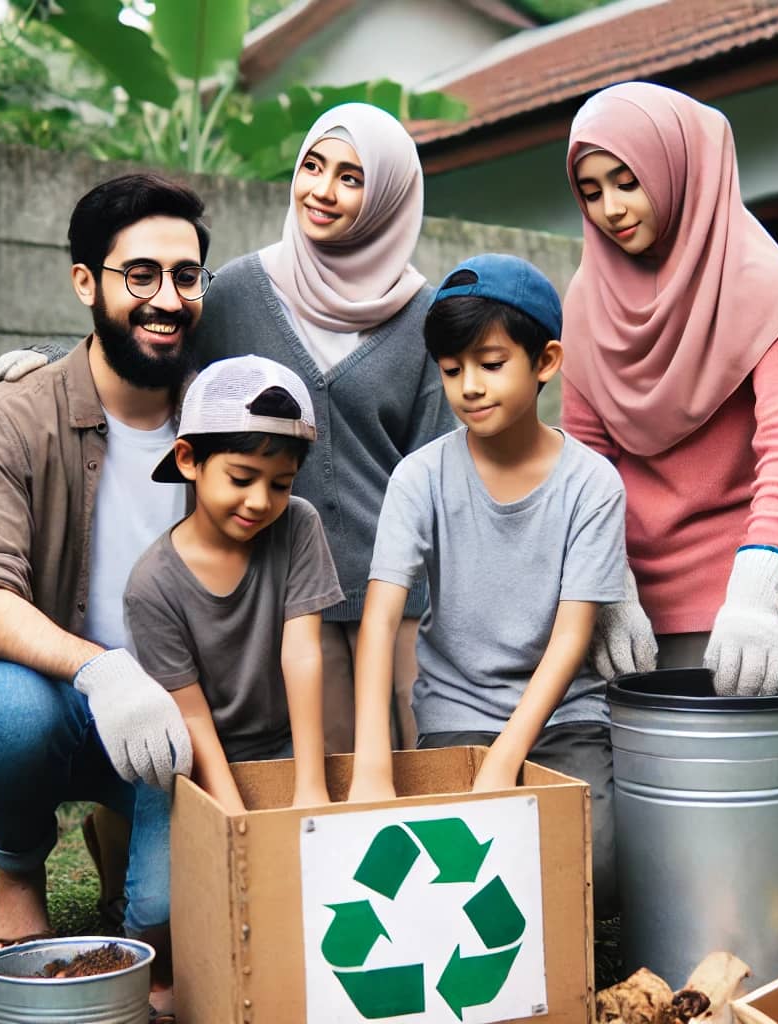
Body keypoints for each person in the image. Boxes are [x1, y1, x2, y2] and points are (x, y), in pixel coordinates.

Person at [0, 172, 211, 1019]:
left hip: (177, 713)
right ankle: (19, 873)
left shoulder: (220, 420)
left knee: (164, 942)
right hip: (54, 695)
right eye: (140, 275)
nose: (166, 298)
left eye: (186, 277)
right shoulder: (12, 417)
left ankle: (122, 833)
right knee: (5, 708)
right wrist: (103, 671)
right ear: (86, 282)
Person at [349, 254, 627, 916]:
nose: (469, 386)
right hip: (455, 714)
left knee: (602, 871)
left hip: (564, 714)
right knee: (449, 875)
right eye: (451, 370)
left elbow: (571, 637)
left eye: (491, 363)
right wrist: (371, 764)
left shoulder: (593, 484)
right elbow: (380, 621)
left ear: (547, 361)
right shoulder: (419, 478)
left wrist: (506, 760)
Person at [192, 102, 456, 753]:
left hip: (402, 596)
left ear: (387, 196)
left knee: (426, 764)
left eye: (351, 177)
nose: (322, 190)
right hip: (285, 593)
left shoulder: (425, 315)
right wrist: (46, 361)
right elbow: (154, 361)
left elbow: (436, 465)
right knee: (331, 783)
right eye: (313, 166)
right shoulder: (234, 294)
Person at [561, 82, 778, 697]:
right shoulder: (587, 301)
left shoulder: (756, 278)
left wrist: (758, 588)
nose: (611, 209)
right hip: (631, 612)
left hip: (745, 602)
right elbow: (587, 462)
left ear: (674, 168)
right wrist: (609, 587)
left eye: (628, 181)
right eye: (591, 192)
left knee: (760, 787)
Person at [121, 354, 342, 1008]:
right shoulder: (152, 584)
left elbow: (303, 654)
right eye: (242, 477)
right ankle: (127, 870)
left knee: (307, 870)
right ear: (188, 460)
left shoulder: (298, 526)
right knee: (160, 905)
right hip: (190, 761)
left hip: (277, 742)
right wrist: (233, 814)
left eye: (280, 482)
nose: (260, 501)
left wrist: (308, 787)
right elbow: (188, 716)